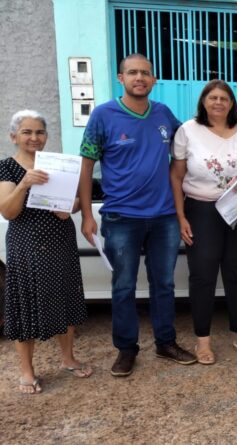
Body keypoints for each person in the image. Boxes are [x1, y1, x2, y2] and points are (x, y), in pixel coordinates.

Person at [78, 53, 196, 377]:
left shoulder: (163, 114)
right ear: (121, 78)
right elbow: (86, 166)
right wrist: (88, 214)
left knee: (164, 283)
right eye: (132, 73)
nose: (139, 78)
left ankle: (165, 342)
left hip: (164, 217)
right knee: (123, 286)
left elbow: (191, 144)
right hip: (121, 218)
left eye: (145, 73)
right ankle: (126, 349)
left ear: (154, 79)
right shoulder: (103, 115)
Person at [169, 80, 237, 364]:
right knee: (203, 277)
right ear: (203, 101)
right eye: (212, 97)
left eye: (223, 98)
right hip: (202, 211)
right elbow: (176, 176)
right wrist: (181, 216)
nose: (218, 103)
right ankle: (203, 341)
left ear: (231, 103)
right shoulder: (188, 131)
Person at [0, 110, 93, 394]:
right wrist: (25, 185)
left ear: (47, 136)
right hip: (26, 243)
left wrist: (70, 207)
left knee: (63, 298)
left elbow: (76, 200)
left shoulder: (58, 164)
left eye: (39, 132)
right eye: (26, 132)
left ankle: (68, 359)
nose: (34, 137)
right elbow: (8, 210)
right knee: (24, 305)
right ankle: (27, 372)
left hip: (59, 239)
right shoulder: (7, 168)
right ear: (14, 137)